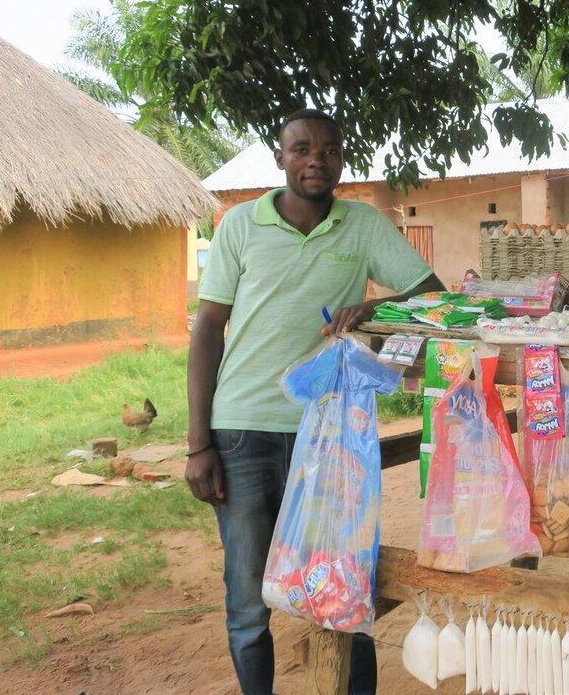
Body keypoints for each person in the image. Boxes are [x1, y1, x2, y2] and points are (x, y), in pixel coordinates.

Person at [186, 108, 443, 695]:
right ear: (279, 158)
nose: (315, 160)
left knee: (343, 584)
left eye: (329, 150)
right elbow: (207, 329)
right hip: (244, 431)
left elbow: (432, 294)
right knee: (249, 599)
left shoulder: (364, 226)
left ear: (341, 159)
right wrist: (199, 442)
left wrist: (375, 307)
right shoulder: (238, 226)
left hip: (332, 433)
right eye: (301, 149)